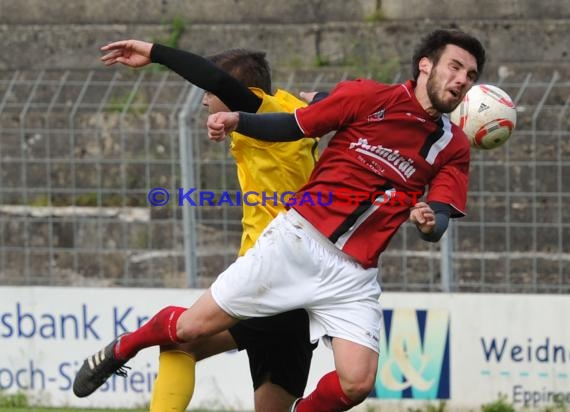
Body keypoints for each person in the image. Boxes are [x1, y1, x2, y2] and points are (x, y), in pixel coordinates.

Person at [73, 29, 485, 411]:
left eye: (471, 74)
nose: (464, 79)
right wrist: (247, 118)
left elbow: (441, 208)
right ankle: (125, 348)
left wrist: (433, 222)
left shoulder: (450, 144)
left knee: (354, 383)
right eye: (456, 66)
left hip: (348, 272)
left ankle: (131, 344)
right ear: (425, 65)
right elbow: (321, 113)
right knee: (186, 336)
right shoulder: (335, 101)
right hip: (291, 250)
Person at [75, 39, 324, 412]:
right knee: (190, 351)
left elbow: (217, 80)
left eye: (210, 92)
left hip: (269, 275)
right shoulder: (294, 110)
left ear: (246, 93)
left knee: (180, 337)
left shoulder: (264, 111)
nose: (206, 100)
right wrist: (322, 95)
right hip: (301, 285)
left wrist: (154, 52)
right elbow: (342, 100)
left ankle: (126, 345)